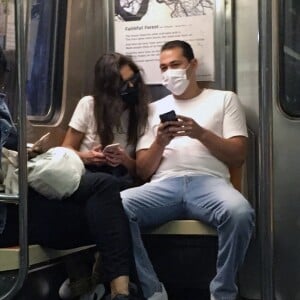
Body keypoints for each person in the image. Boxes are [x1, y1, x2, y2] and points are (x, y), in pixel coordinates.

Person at [0, 50, 149, 300]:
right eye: (124, 82)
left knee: (106, 193)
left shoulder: (142, 114)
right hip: (16, 204)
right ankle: (117, 289)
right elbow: (14, 146)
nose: (131, 87)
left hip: (111, 180)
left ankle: (106, 286)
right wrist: (87, 156)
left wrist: (124, 159)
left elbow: (142, 170)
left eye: (133, 80)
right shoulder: (89, 105)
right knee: (104, 194)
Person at [121, 40, 255, 300]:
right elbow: (143, 171)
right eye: (163, 67)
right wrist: (160, 142)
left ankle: (223, 292)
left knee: (240, 213)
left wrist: (200, 133)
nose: (168, 72)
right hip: (163, 185)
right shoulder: (152, 110)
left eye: (175, 65)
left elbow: (238, 155)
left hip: (210, 183)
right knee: (115, 206)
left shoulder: (224, 99)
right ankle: (152, 289)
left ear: (192, 65)